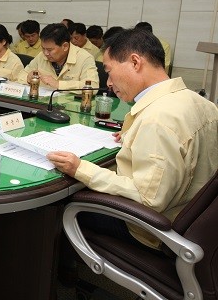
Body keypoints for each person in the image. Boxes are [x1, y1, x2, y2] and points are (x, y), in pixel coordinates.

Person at [47, 27, 218, 249]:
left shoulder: (156, 120)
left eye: (108, 71)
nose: (108, 82)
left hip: (151, 230)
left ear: (135, 62)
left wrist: (80, 168)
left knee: (62, 203)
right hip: (195, 222)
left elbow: (148, 200)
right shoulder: (202, 103)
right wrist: (135, 134)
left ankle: (65, 276)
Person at [16, 23, 99, 90]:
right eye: (43, 48)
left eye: (49, 50)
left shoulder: (84, 58)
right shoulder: (42, 55)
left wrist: (59, 84)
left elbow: (93, 86)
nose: (45, 53)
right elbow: (21, 75)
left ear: (65, 46)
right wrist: (28, 78)